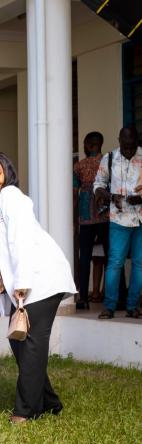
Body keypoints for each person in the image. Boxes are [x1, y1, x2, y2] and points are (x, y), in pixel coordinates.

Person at [0, 152, 75, 423]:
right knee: (19, 342)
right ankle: (49, 402)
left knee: (30, 343)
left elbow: (20, 242)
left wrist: (21, 286)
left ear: (7, 173)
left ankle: (26, 410)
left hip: (39, 280)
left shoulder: (12, 197)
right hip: (24, 281)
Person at [93, 126, 142, 319]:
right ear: (119, 141)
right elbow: (98, 185)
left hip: (140, 219)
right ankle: (110, 306)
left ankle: (133, 306)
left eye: (132, 146)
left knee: (139, 264)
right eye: (125, 146)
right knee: (115, 263)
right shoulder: (110, 158)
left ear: (137, 141)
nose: (129, 150)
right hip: (119, 220)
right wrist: (110, 196)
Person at [73, 131, 108, 309]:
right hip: (106, 215)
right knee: (111, 257)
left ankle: (83, 298)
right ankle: (115, 297)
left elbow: (73, 193)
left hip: (85, 217)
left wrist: (73, 218)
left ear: (87, 145)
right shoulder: (108, 162)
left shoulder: (79, 166)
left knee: (84, 257)